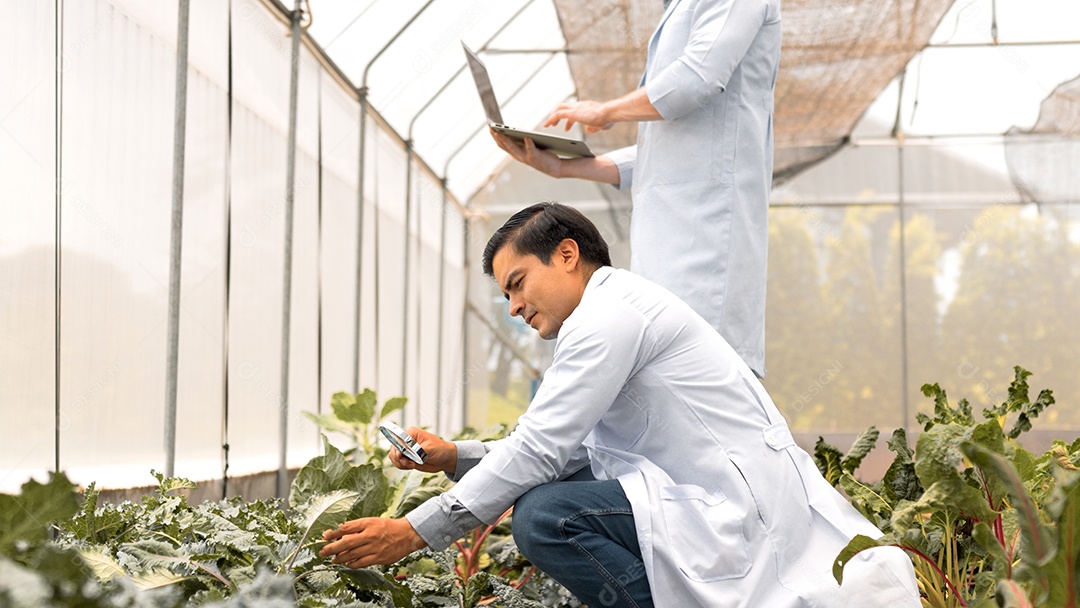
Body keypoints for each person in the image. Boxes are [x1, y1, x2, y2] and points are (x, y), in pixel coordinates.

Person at [321, 203, 920, 607]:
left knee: (545, 517)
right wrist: (454, 456)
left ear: (566, 254)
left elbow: (540, 450)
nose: (514, 308)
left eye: (517, 284)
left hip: (734, 502)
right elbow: (578, 452)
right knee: (548, 504)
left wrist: (414, 531)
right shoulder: (610, 311)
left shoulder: (608, 318)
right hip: (713, 495)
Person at [491, 0, 780, 378]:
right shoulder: (677, 8)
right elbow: (660, 151)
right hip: (670, 237)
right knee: (667, 373)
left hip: (709, 234)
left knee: (707, 377)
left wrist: (605, 111)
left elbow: (695, 80)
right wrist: (562, 167)